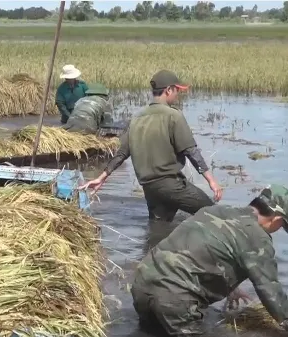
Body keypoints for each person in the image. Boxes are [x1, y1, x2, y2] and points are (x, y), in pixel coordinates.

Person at [130, 184, 288, 336]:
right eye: (282, 224)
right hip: (174, 298)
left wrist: (231, 288)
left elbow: (200, 251)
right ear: (277, 218)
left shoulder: (215, 210)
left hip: (142, 285)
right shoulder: (258, 237)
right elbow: (270, 290)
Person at [80, 69, 222, 222]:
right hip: (171, 185)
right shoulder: (173, 116)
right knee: (214, 216)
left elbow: (121, 153)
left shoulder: (136, 119)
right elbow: (191, 151)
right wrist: (212, 181)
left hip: (150, 188)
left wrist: (102, 177)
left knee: (158, 230)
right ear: (168, 90)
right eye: (177, 91)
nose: (178, 95)